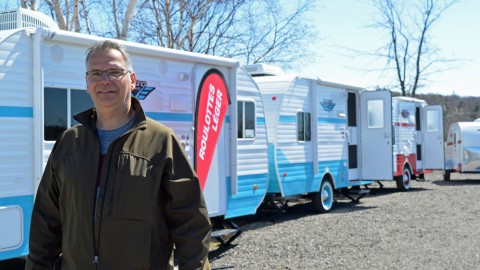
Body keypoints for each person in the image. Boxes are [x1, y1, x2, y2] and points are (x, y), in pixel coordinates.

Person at [25, 39, 212, 270]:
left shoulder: (161, 141)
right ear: (87, 83)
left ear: (132, 80)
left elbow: (191, 223)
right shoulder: (68, 143)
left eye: (114, 71)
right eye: (95, 73)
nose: (104, 80)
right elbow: (45, 222)